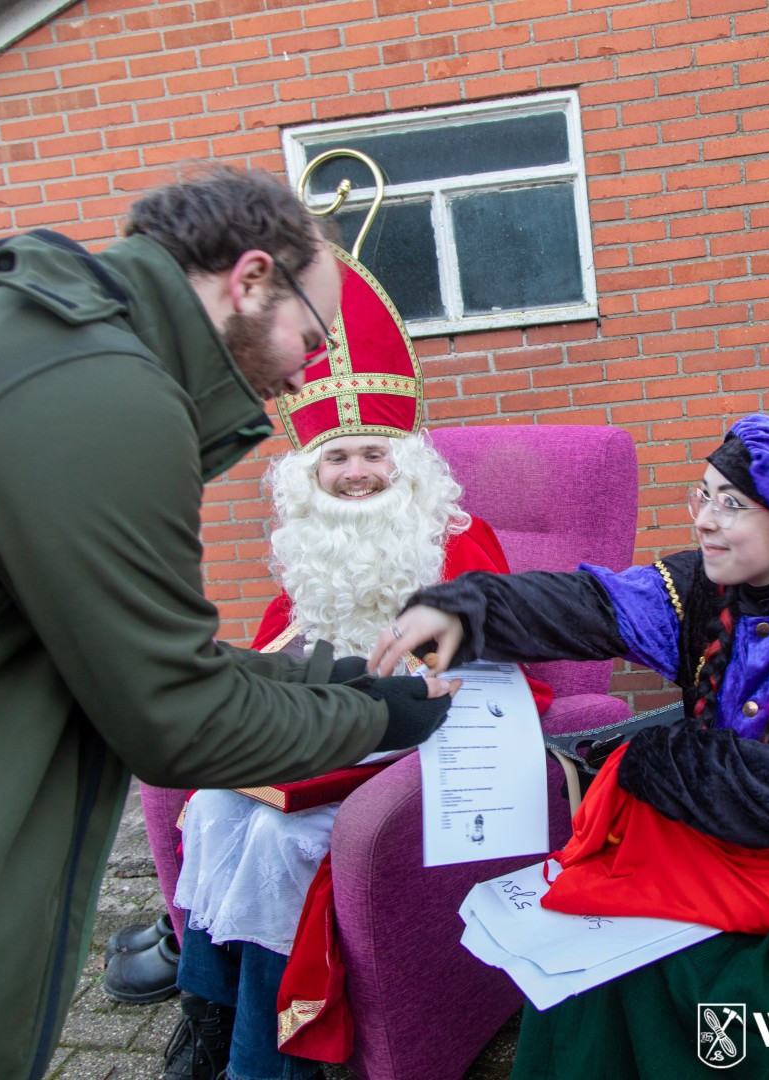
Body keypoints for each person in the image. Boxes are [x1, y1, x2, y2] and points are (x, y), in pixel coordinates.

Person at [0, 167, 458, 1080]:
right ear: (251, 278)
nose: (305, 372)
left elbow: (132, 654)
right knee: (229, 820)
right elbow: (176, 712)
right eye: (311, 337)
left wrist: (340, 686)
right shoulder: (109, 393)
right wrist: (373, 709)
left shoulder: (37, 339)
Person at [370, 413, 769, 1079]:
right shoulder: (707, 587)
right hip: (710, 833)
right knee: (580, 931)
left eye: (730, 504)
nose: (704, 520)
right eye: (702, 496)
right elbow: (593, 605)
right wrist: (466, 607)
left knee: (668, 963)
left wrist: (692, 766)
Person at [159, 289, 551, 1080]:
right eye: (336, 459)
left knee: (277, 841)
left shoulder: (459, 538)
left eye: (373, 453)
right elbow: (278, 649)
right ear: (309, 474)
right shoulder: (313, 547)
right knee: (214, 808)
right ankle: (207, 1019)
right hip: (325, 741)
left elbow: (501, 676)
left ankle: (264, 1065)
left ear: (407, 462)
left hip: (425, 748)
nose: (356, 474)